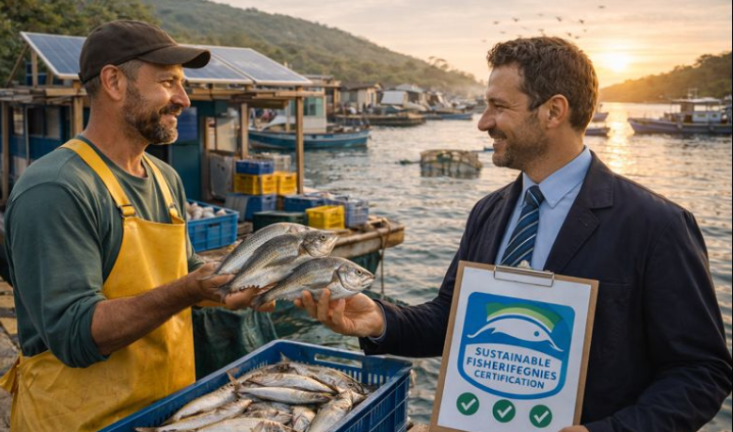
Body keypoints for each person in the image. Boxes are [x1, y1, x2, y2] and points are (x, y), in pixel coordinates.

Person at [298, 37, 732, 432]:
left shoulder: (657, 225)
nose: (483, 122)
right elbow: (451, 318)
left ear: (553, 112)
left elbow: (701, 371)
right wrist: (381, 320)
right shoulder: (489, 212)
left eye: (498, 106)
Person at [0, 20, 270, 431]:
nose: (184, 99)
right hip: (81, 420)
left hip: (168, 412)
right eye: (168, 83)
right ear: (113, 82)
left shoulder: (165, 179)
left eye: (182, 85)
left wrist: (240, 291)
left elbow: (185, 274)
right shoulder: (55, 188)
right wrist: (187, 289)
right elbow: (75, 334)